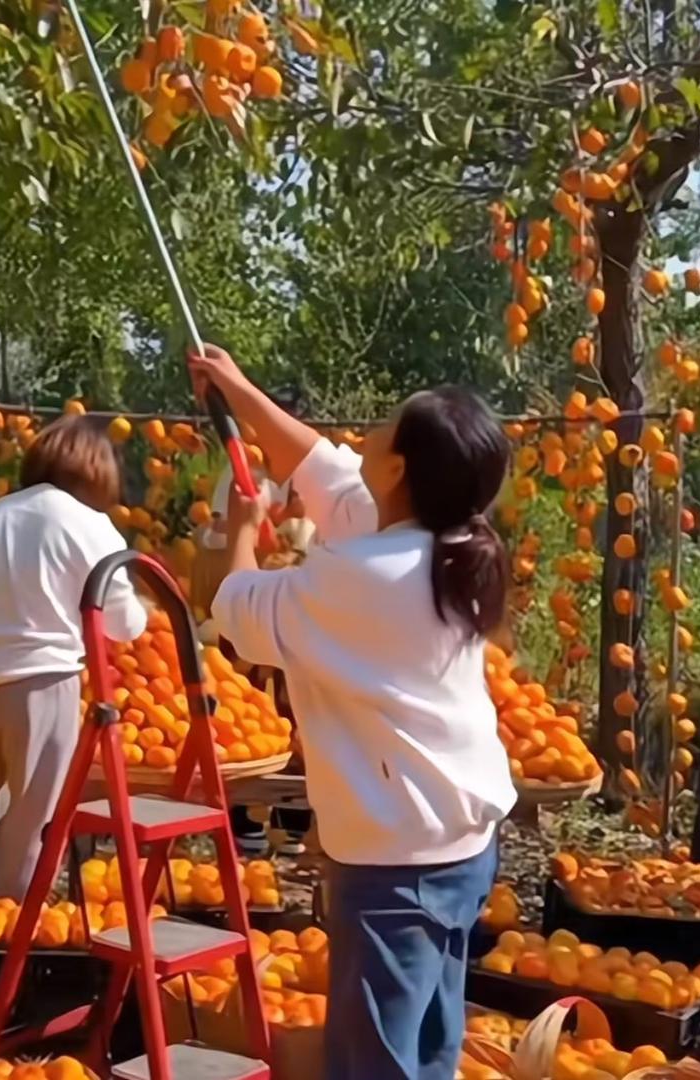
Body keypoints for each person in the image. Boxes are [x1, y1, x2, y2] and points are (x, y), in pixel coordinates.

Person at [188, 345, 516, 1080]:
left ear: (399, 467)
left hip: (399, 866)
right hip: (457, 844)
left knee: (375, 1064)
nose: (364, 433)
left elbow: (236, 610)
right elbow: (319, 469)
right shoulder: (443, 538)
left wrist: (239, 527)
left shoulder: (367, 575)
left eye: (384, 426)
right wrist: (238, 389)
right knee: (429, 1048)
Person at [0, 415, 147, 909]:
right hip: (41, 682)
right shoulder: (87, 523)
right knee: (32, 826)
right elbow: (125, 624)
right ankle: (9, 942)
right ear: (97, 474)